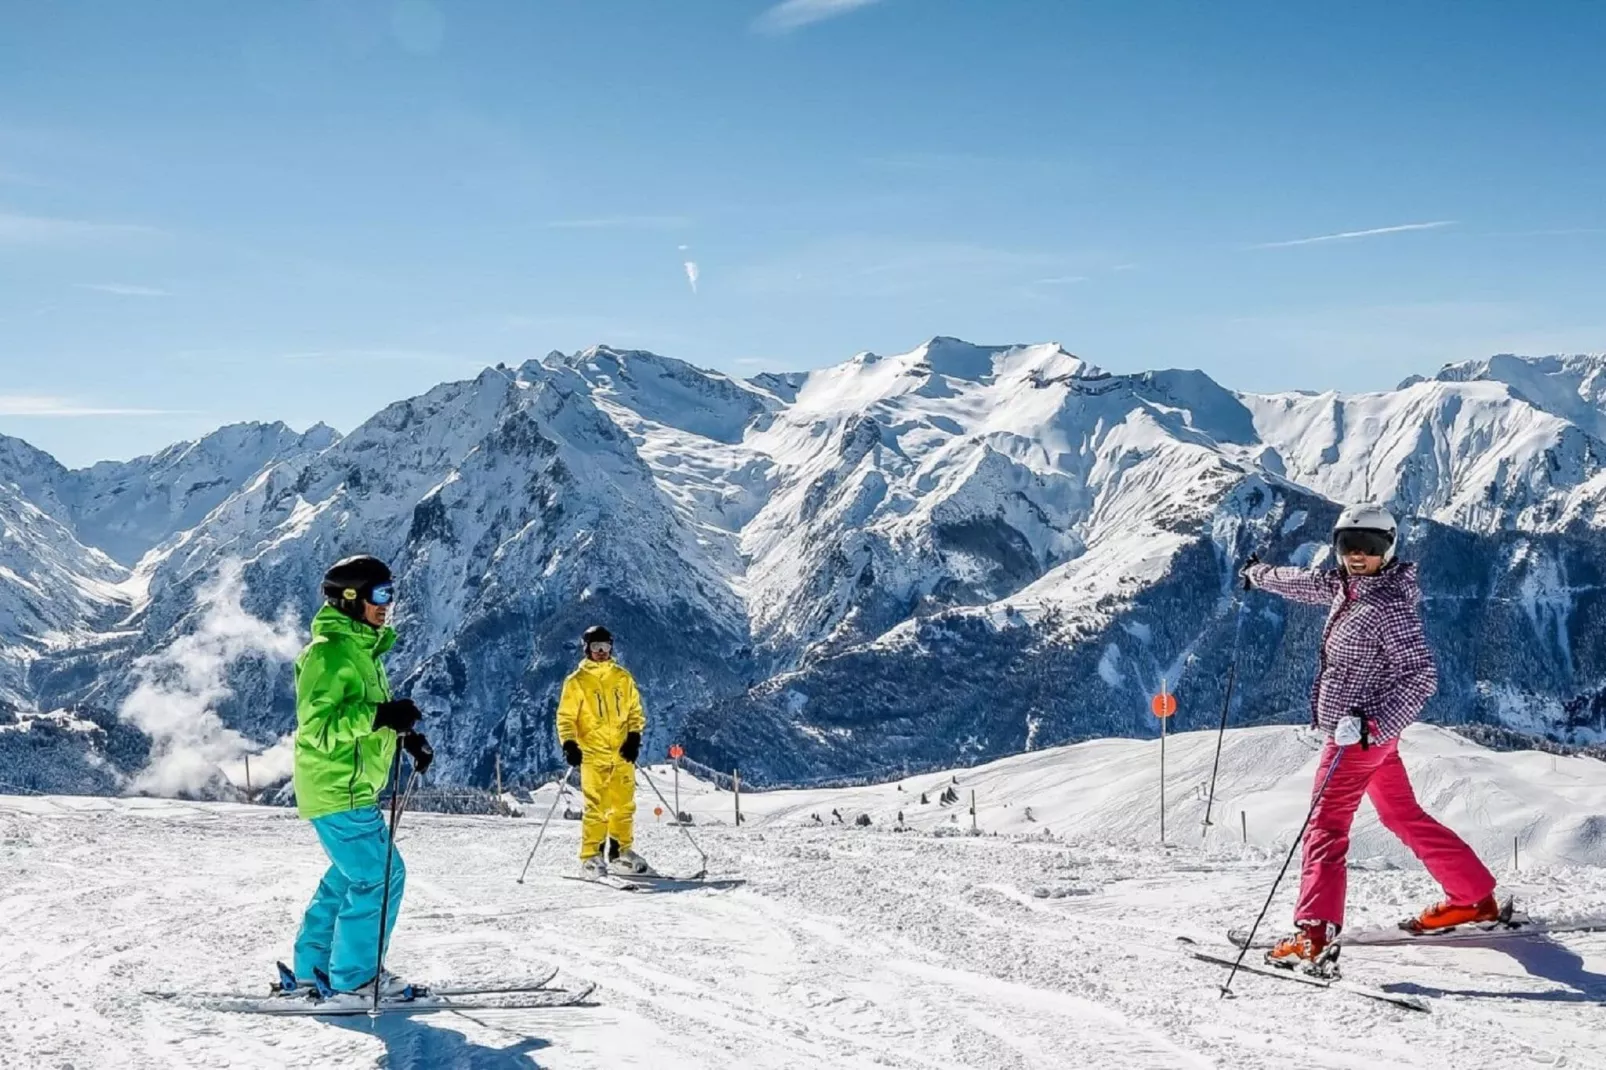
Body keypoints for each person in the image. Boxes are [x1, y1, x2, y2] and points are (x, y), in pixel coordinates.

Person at [1243, 505, 1498, 970]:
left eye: (1372, 548)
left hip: (1359, 737)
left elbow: (1420, 676)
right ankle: (1473, 896)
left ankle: (1314, 936)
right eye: (1348, 546)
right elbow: (1304, 583)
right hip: (1365, 736)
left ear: (1389, 549)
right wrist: (1258, 574)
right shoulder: (1346, 587)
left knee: (1325, 827)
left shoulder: (1389, 606)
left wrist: (1372, 724)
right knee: (1402, 814)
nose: (1359, 555)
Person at [286, 554, 434, 1006]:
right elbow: (318, 728)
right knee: (382, 875)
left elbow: (366, 719)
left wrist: (402, 733)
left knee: (348, 876)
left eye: (391, 594)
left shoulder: (362, 650)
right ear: (350, 599)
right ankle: (354, 977)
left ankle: (313, 969)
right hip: (337, 788)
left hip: (347, 787)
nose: (387, 604)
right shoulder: (328, 654)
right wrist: (379, 715)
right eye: (379, 595)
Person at [556, 625, 653, 878]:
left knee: (624, 806)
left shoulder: (622, 678)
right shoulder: (576, 682)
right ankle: (591, 856)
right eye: (596, 647)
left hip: (621, 754)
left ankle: (621, 852)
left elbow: (635, 711)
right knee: (596, 808)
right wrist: (569, 743)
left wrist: (634, 736)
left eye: (606, 647)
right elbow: (566, 718)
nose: (601, 652)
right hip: (593, 754)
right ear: (587, 649)